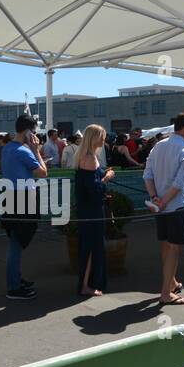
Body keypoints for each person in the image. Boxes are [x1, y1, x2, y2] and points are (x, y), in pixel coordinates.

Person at [144, 112, 184, 307]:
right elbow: (180, 182)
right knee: (174, 248)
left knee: (166, 245)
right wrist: (163, 201)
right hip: (178, 206)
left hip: (161, 207)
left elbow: (147, 175)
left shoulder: (158, 145)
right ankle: (166, 292)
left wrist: (155, 198)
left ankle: (171, 283)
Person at [1, 114, 48, 300]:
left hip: (10, 196)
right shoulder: (24, 151)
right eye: (34, 131)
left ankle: (16, 279)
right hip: (23, 198)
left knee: (16, 240)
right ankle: (13, 286)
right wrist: (36, 150)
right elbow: (43, 173)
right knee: (17, 242)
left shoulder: (7, 148)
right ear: (28, 131)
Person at [75, 125, 114, 297]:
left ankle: (88, 283)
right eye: (102, 137)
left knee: (90, 246)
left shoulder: (85, 156)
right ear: (94, 138)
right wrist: (107, 177)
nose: (104, 140)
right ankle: (86, 285)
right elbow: (95, 188)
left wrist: (101, 176)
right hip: (92, 210)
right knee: (93, 247)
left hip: (88, 209)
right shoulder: (90, 158)